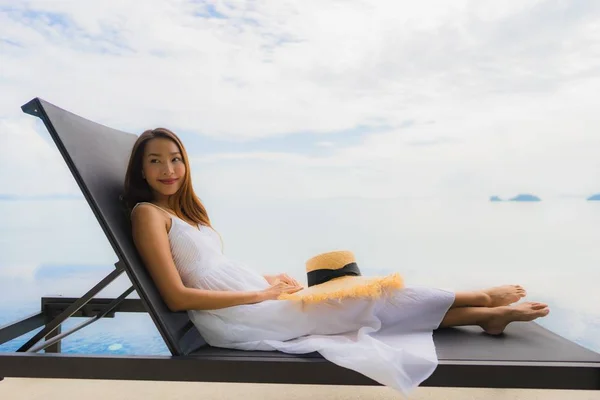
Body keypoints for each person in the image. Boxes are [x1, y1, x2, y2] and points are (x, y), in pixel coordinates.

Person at [122, 127, 550, 395]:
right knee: (367, 300)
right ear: (141, 170)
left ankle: (484, 315)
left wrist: (266, 280)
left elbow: (210, 268)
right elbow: (178, 297)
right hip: (239, 319)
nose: (168, 168)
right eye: (155, 161)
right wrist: (260, 293)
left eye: (175, 158)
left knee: (366, 300)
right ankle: (479, 298)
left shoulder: (184, 214)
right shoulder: (148, 214)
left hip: (253, 300)